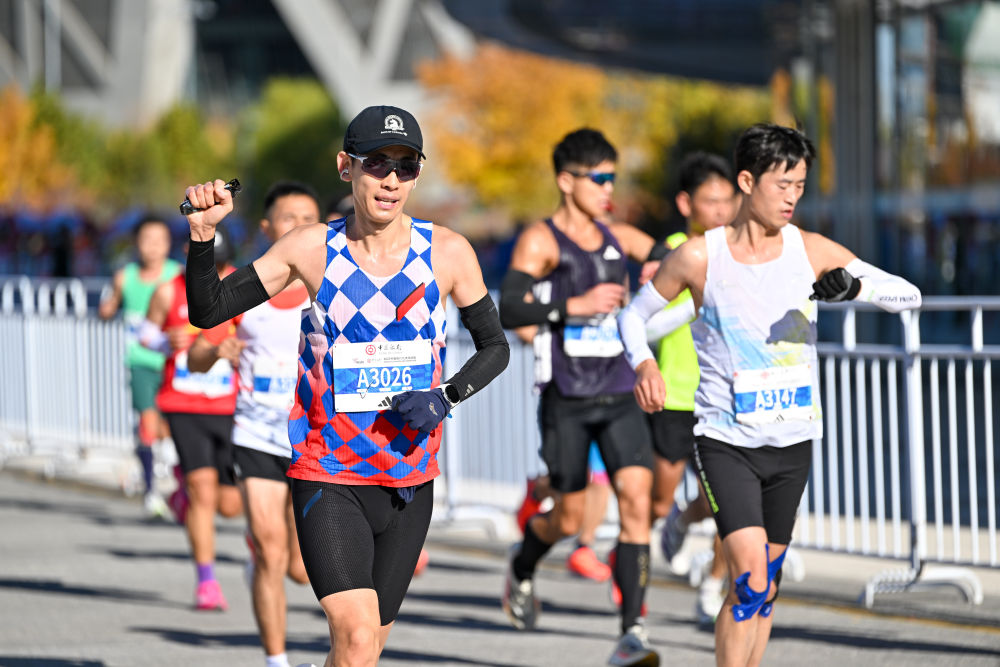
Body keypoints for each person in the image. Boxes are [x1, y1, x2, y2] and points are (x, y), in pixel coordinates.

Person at [180, 105, 509, 666]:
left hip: (409, 479)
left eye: (406, 166)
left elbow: (495, 347)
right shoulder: (310, 248)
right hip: (329, 473)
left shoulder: (448, 251)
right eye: (377, 163)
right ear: (345, 167)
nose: (391, 180)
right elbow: (209, 311)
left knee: (363, 651)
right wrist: (203, 235)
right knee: (356, 638)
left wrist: (445, 397)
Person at [617, 123, 922, 667]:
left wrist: (854, 287)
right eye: (782, 184)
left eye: (800, 185)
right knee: (750, 579)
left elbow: (908, 295)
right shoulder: (700, 256)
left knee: (767, 586)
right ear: (746, 181)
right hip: (725, 440)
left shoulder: (810, 249)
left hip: (793, 439)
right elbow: (632, 318)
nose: (792, 197)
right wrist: (644, 364)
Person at [498, 127, 663, 666]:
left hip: (619, 392)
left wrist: (662, 266)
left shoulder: (621, 237)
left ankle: (632, 632)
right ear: (566, 181)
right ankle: (523, 563)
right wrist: (575, 306)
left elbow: (671, 254)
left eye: (613, 178)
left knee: (635, 501)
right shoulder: (542, 241)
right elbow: (510, 307)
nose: (609, 188)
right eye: (599, 178)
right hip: (566, 397)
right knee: (567, 521)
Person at [187, 182, 319, 667]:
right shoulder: (247, 288)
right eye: (289, 218)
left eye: (309, 218)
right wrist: (214, 352)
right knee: (270, 552)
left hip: (314, 440)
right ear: (267, 228)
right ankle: (276, 660)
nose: (300, 226)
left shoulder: (332, 290)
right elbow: (196, 355)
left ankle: (265, 564)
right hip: (257, 435)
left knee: (301, 569)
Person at [645, 152, 739, 624]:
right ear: (686, 204)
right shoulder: (672, 252)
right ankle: (676, 520)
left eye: (728, 200)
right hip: (674, 394)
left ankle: (713, 589)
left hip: (721, 397)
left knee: (728, 504)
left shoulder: (740, 251)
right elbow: (643, 321)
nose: (722, 210)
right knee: (660, 500)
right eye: (711, 201)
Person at [142, 226, 244, 611]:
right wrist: (165, 340)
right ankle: (207, 582)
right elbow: (144, 333)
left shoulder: (242, 287)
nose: (217, 272)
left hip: (231, 405)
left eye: (222, 265)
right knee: (204, 490)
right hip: (184, 403)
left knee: (230, 505)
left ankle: (181, 494)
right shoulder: (168, 291)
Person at [98, 214, 182, 517]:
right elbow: (109, 307)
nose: (153, 246)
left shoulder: (178, 274)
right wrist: (108, 308)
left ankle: (176, 484)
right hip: (141, 361)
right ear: (136, 243)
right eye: (147, 240)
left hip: (173, 361)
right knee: (148, 422)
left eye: (160, 240)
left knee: (168, 427)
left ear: (168, 244)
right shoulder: (125, 276)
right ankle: (151, 490)